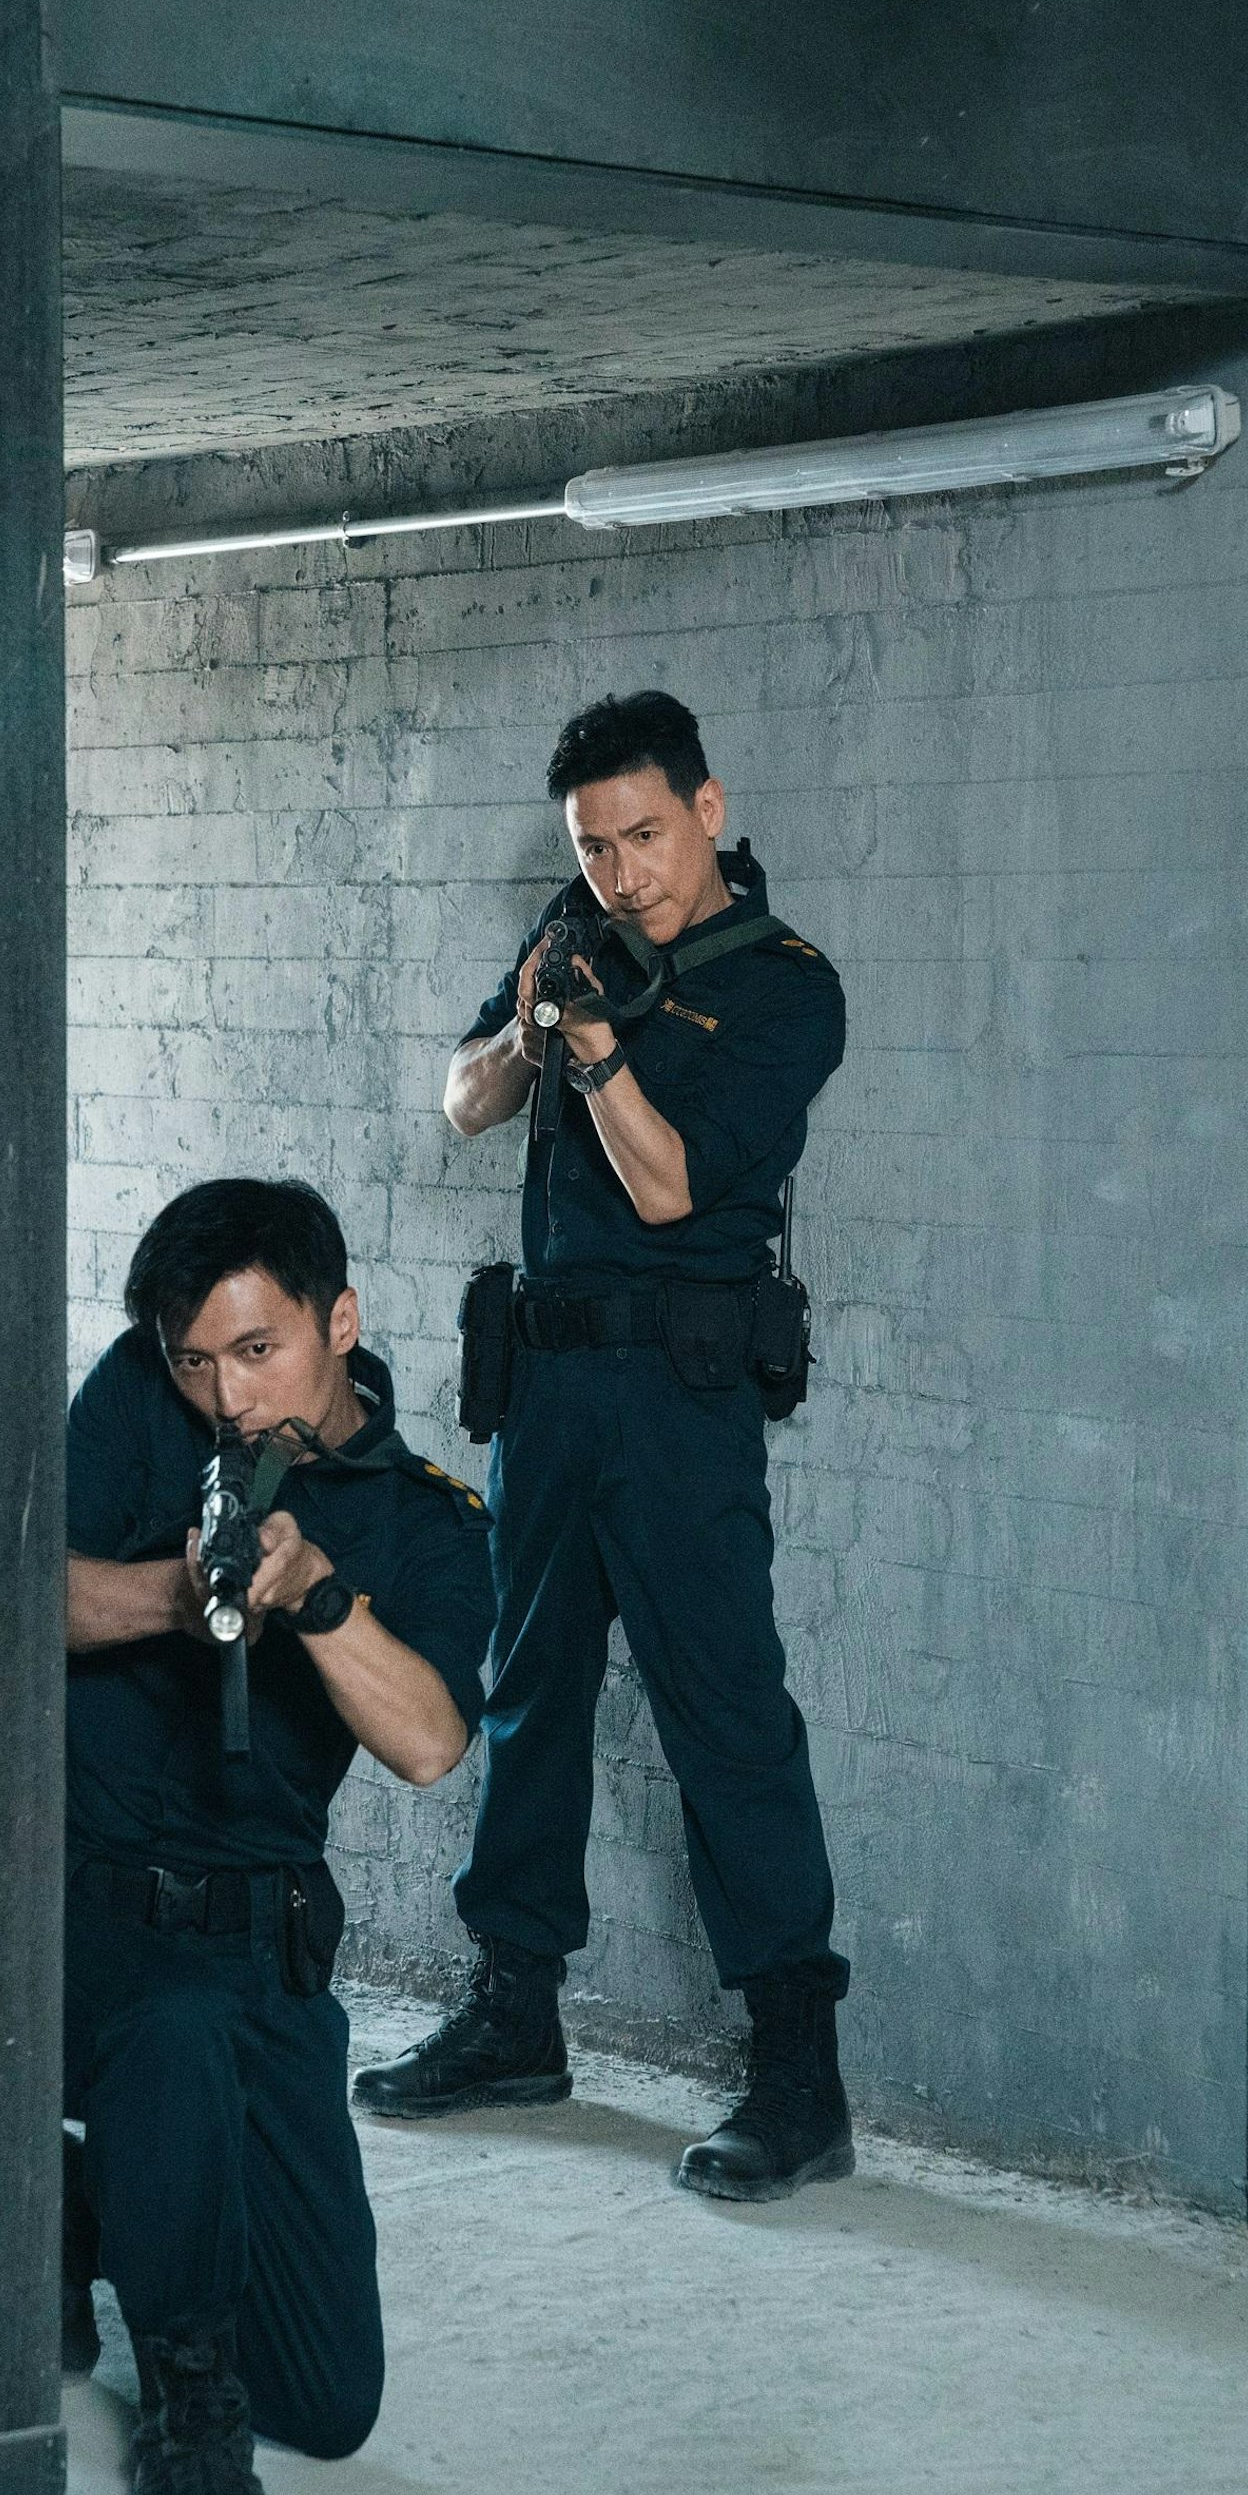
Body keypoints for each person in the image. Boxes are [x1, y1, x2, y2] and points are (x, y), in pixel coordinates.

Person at [352, 690, 853, 2203]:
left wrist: (594, 1049)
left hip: (681, 1402)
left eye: (644, 835)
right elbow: (461, 1103)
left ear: (708, 809)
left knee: (725, 1719)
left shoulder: (786, 989)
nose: (623, 873)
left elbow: (669, 1187)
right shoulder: (568, 936)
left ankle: (799, 2074)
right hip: (550, 1390)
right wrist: (529, 1022)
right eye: (594, 846)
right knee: (528, 1698)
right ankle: (516, 2013)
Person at [61, 1177, 495, 2495]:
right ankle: (189, 2442)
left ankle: (86, 2206)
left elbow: (429, 1741)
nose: (226, 1394)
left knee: (328, 2398)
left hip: (262, 1947)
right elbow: (16, 1588)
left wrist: (313, 1595)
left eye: (258, 1351)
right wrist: (175, 1593)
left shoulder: (427, 1521)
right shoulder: (140, 1399)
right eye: (197, 1359)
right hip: (84, 1923)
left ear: (340, 1321)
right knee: (171, 2033)